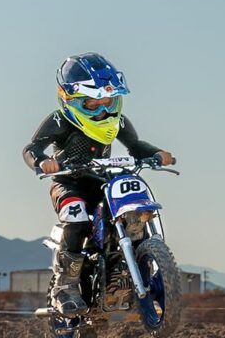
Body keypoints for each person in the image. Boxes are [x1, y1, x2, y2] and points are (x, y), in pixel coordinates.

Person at [22, 53, 174, 315]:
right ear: (71, 99)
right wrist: (43, 161)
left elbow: (136, 146)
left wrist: (157, 154)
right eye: (93, 103)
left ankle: (138, 271)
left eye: (108, 101)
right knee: (76, 215)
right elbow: (31, 147)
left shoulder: (118, 122)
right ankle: (65, 286)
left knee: (134, 209)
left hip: (104, 182)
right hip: (69, 183)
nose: (103, 109)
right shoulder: (60, 120)